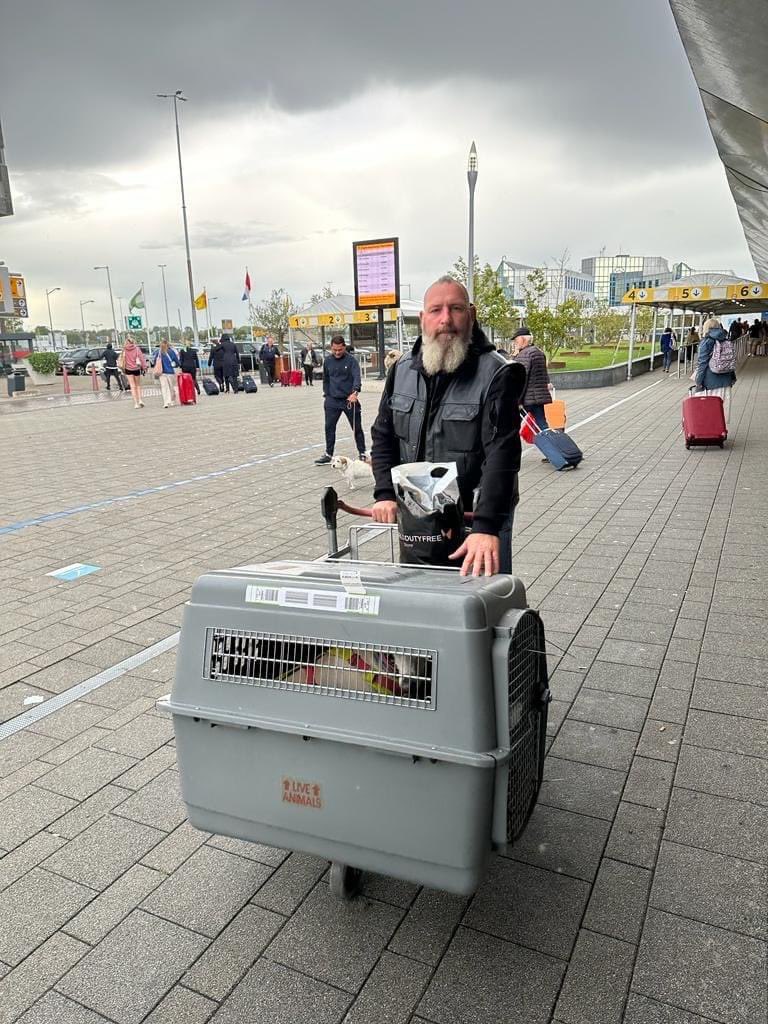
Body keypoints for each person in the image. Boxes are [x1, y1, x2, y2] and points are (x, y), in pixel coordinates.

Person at [370, 277, 525, 577]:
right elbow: (384, 435)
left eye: (456, 309)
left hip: (475, 520)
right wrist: (385, 493)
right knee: (419, 601)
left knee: (480, 610)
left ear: (472, 314)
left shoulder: (496, 373)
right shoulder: (401, 371)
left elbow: (502, 454)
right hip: (418, 519)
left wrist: (486, 525)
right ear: (422, 319)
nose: (446, 319)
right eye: (436, 310)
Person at [314, 335, 367, 465]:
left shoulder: (351, 361)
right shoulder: (328, 361)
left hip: (349, 400)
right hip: (332, 400)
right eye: (334, 350)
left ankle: (362, 453)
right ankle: (328, 454)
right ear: (331, 348)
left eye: (339, 350)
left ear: (344, 347)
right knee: (329, 427)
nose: (337, 352)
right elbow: (326, 379)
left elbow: (356, 378)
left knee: (357, 428)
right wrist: (326, 394)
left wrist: (355, 392)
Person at [694, 317, 736, 424]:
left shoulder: (706, 341)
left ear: (706, 328)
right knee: (723, 411)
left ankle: (710, 434)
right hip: (726, 381)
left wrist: (698, 382)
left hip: (710, 383)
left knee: (709, 412)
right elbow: (730, 359)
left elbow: (702, 364)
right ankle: (721, 434)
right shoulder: (726, 340)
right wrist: (732, 378)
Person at [511, 327, 552, 429]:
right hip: (538, 397)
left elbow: (520, 379)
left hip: (526, 398)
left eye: (516, 340)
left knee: (510, 427)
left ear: (522, 339)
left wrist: (517, 401)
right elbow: (543, 374)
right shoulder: (538, 352)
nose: (515, 343)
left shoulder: (524, 354)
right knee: (542, 426)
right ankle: (552, 443)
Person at [151, 339, 181, 408]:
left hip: (161, 372)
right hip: (170, 372)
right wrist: (176, 365)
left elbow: (155, 362)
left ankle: (166, 402)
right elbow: (177, 361)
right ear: (168, 344)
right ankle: (172, 400)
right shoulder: (171, 352)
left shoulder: (158, 353)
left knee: (164, 387)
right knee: (171, 387)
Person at [122, 335, 147, 408]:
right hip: (136, 368)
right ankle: (140, 400)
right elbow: (142, 358)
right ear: (133, 342)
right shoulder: (137, 349)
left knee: (132, 386)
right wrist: (144, 367)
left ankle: (136, 403)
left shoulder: (124, 350)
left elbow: (122, 359)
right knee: (138, 385)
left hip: (128, 369)